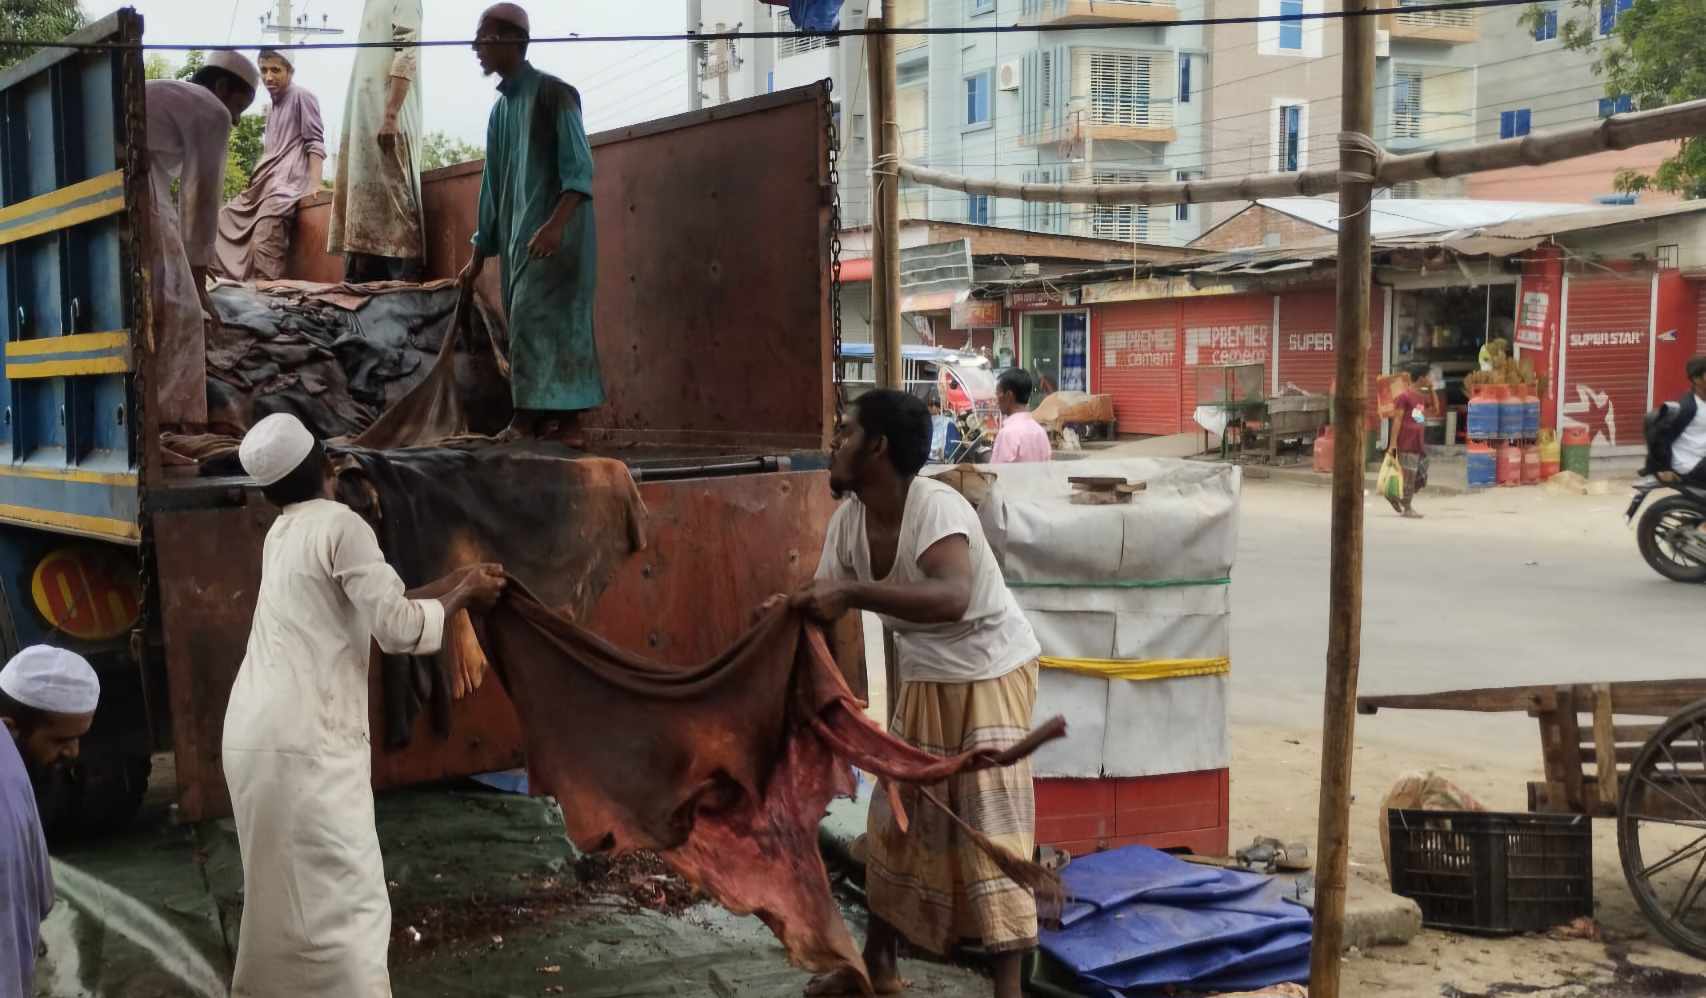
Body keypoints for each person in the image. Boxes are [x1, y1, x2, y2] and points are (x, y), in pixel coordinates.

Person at [222, 413, 506, 996]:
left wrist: (454, 582)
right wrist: (468, 594)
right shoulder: (340, 524)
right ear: (327, 468)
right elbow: (399, 629)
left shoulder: (284, 533)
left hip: (252, 737)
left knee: (277, 898)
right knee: (349, 903)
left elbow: (380, 607)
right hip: (309, 744)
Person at [793, 390, 1043, 998]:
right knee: (896, 822)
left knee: (992, 829)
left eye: (845, 433)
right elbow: (826, 606)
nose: (833, 444)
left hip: (990, 671)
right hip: (927, 674)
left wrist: (850, 595)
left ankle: (1008, 991)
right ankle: (877, 968)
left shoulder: (934, 508)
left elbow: (952, 597)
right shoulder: (850, 522)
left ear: (877, 448)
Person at [459, 3, 604, 443]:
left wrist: (555, 226)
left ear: (508, 40)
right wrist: (478, 257)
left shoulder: (555, 94)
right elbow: (492, 190)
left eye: (483, 38)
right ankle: (547, 420)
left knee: (548, 321)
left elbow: (579, 172)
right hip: (523, 240)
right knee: (529, 323)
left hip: (561, 237)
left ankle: (545, 419)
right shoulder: (500, 112)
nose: (476, 48)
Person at [146, 50, 258, 431]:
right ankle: (172, 421)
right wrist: (196, 286)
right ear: (222, 87)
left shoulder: (172, 94)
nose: (237, 119)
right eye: (239, 106)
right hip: (139, 180)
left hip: (133, 176)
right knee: (183, 312)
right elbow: (200, 197)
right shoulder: (212, 109)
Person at [0, 647, 100, 998]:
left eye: (77, 739)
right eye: (60, 740)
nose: (73, 752)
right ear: (11, 728)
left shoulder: (18, 772)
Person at [329, 0, 427, 284]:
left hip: (387, 118)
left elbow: (407, 52)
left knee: (395, 205)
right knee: (361, 207)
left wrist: (391, 114)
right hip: (363, 119)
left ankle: (402, 287)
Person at [213, 49, 326, 282]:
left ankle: (269, 299)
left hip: (285, 187)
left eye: (276, 70)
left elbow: (315, 142)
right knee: (220, 221)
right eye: (264, 70)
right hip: (263, 184)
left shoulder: (302, 96)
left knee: (264, 244)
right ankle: (225, 285)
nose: (269, 77)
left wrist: (315, 184)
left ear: (290, 72)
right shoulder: (273, 106)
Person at [1645, 355, 1706, 485]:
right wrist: (1664, 469)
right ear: (1696, 379)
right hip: (1689, 464)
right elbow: (1661, 437)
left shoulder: (1703, 402)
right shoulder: (1687, 407)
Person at [1386, 364, 1433, 519]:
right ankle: (1407, 508)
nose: (1430, 379)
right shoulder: (1404, 396)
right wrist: (1393, 444)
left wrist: (1431, 390)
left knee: (1421, 474)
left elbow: (1435, 409)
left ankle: (1397, 497)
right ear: (1421, 378)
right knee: (1410, 474)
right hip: (1407, 440)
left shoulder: (1421, 397)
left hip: (1418, 441)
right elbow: (1397, 420)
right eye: (1428, 376)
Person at [990, 369, 1050, 464]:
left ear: (1009, 395)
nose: (996, 399)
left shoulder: (1007, 433)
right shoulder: (1040, 432)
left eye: (998, 393)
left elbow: (997, 474)